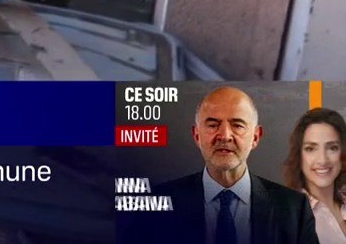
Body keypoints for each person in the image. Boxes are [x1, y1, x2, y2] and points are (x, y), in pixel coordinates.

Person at [130, 87, 319, 244]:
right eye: (213, 125)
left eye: (237, 125)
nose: (225, 135)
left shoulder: (295, 210)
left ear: (255, 137)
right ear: (197, 136)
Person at [285, 108, 346, 243]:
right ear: (299, 155)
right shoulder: (288, 217)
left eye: (332, 148)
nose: (322, 160)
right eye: (311, 149)